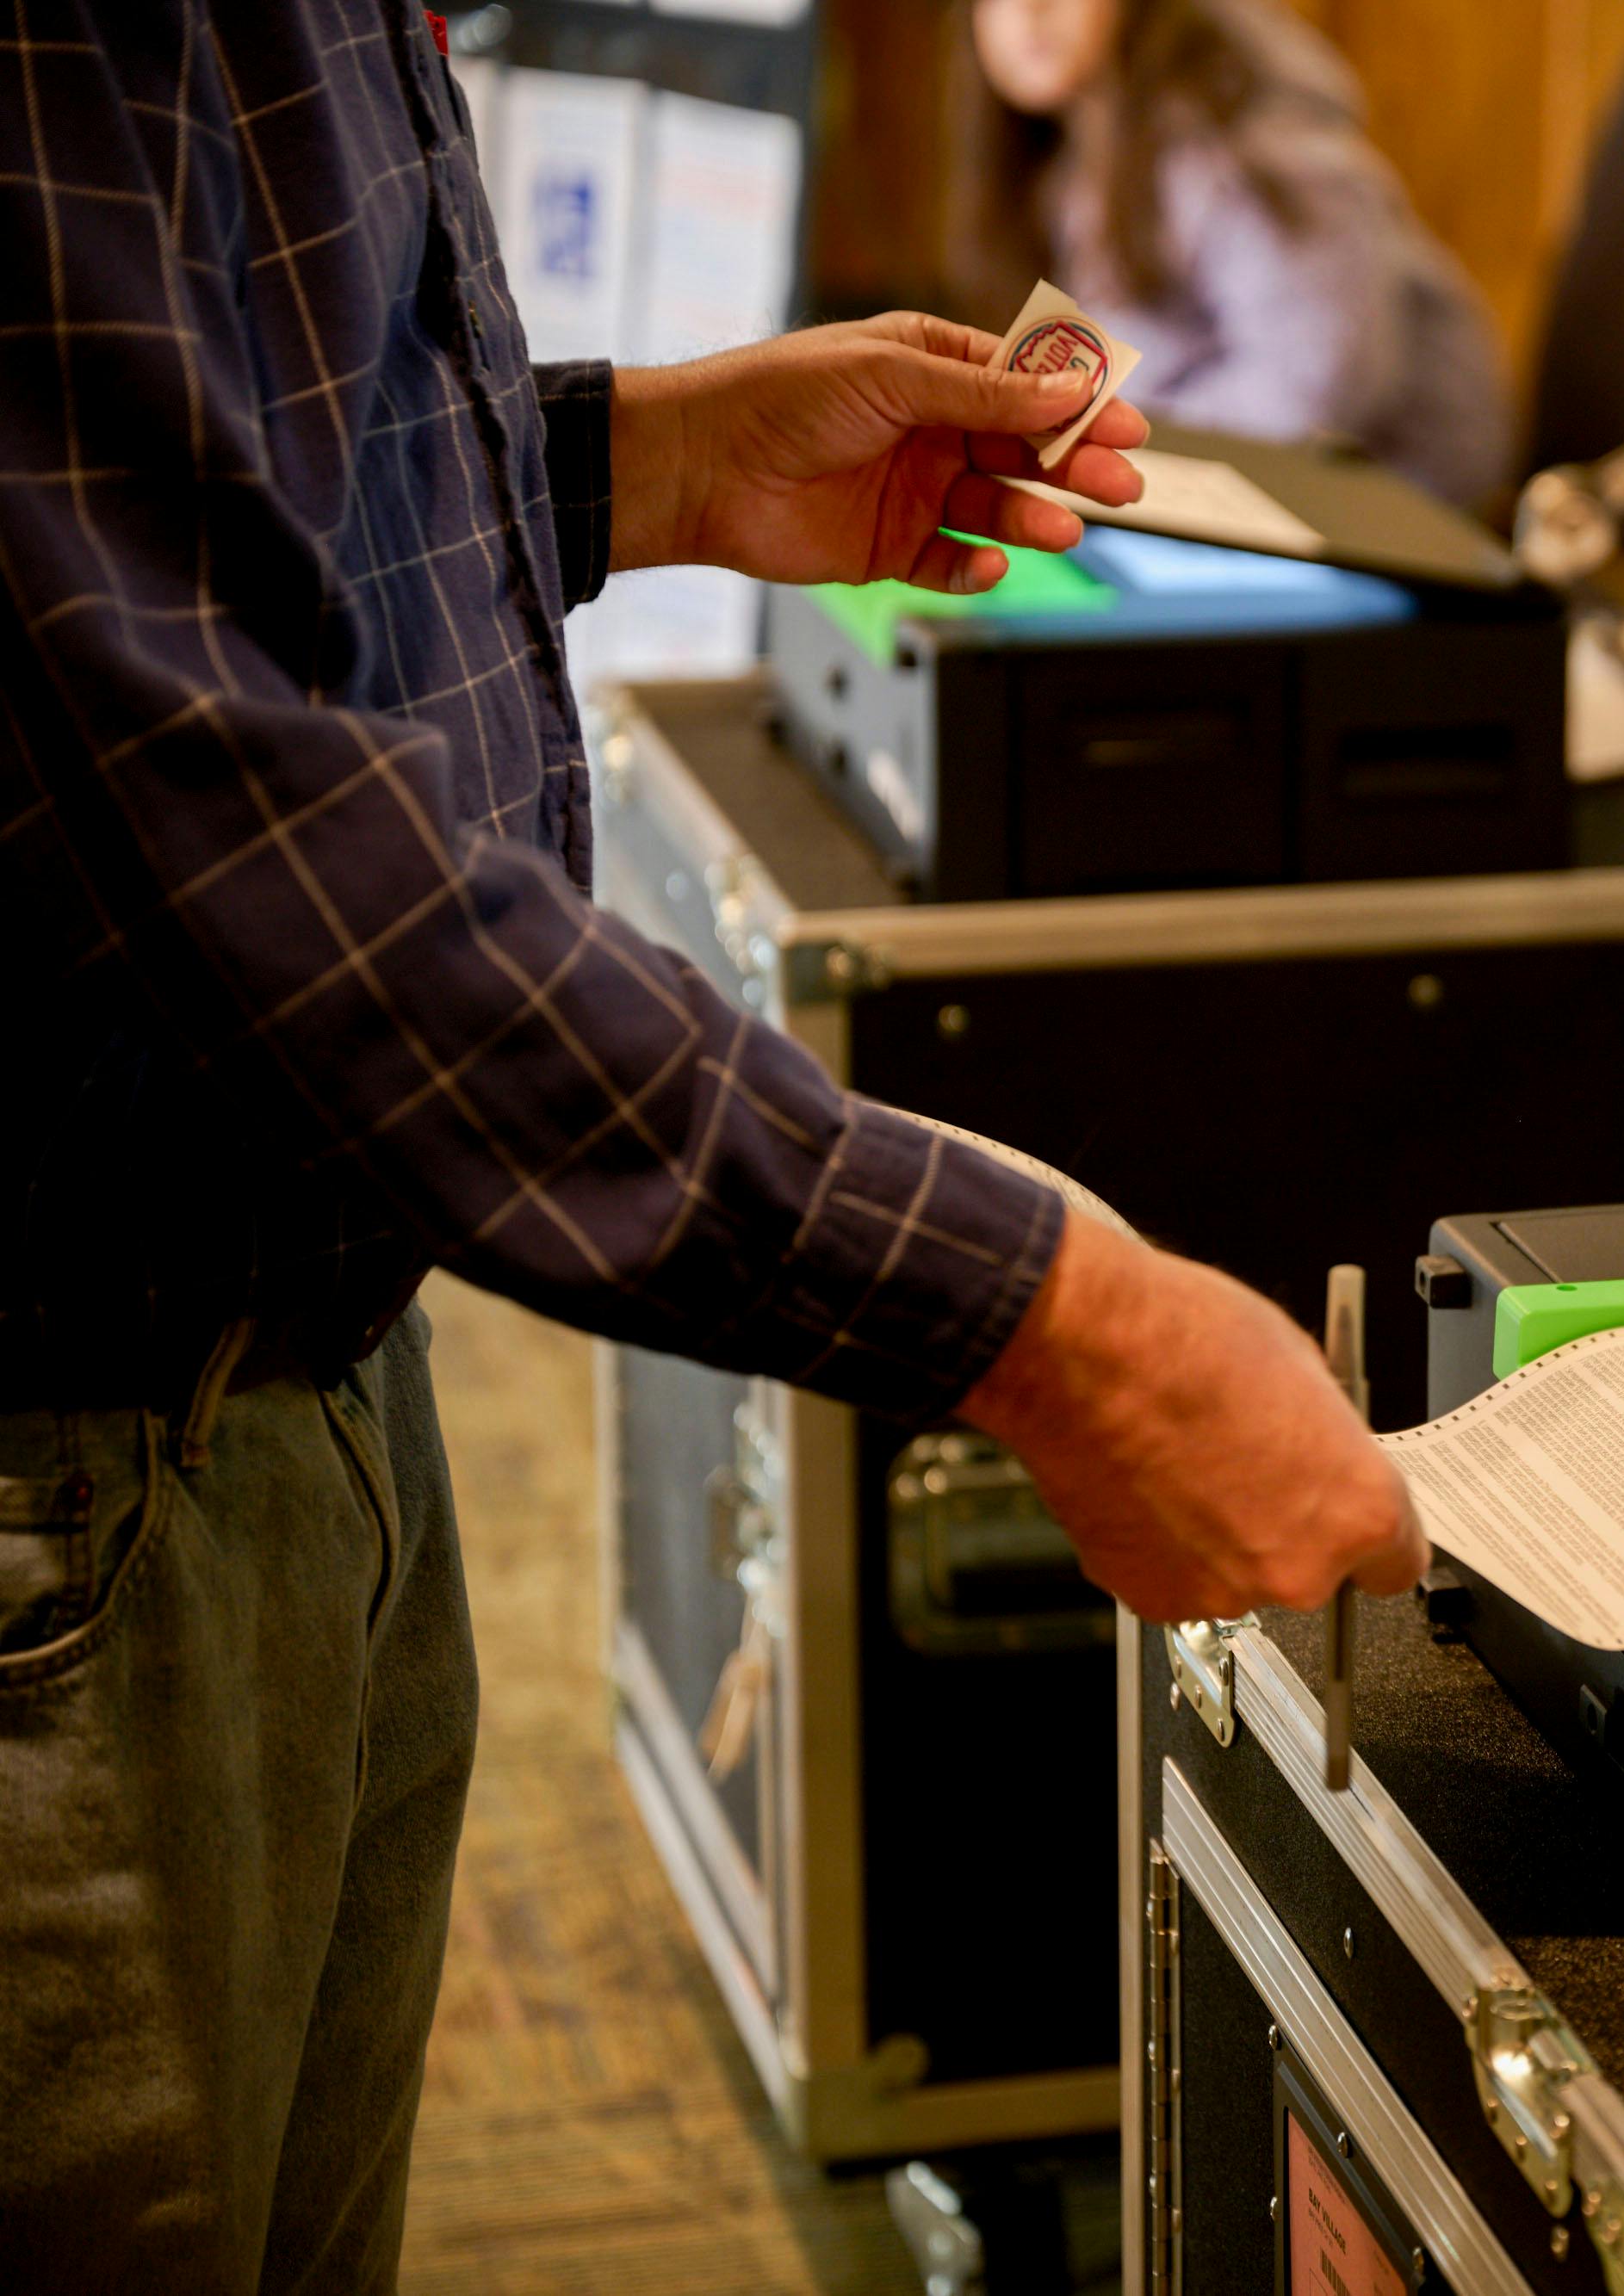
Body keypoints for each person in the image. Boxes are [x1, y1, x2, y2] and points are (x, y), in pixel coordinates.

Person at [0, 9, 1423, 2289]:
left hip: (314, 1394)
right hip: (62, 1501)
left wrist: (635, 465)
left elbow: (202, 455)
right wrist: (1060, 1324)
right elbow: (180, 765)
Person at [958, 0, 1513, 510]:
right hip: (1252, 495)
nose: (1027, 12)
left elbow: (1321, 378)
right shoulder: (1075, 160)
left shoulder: (1237, 132)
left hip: (1390, 502)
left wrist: (1124, 440)